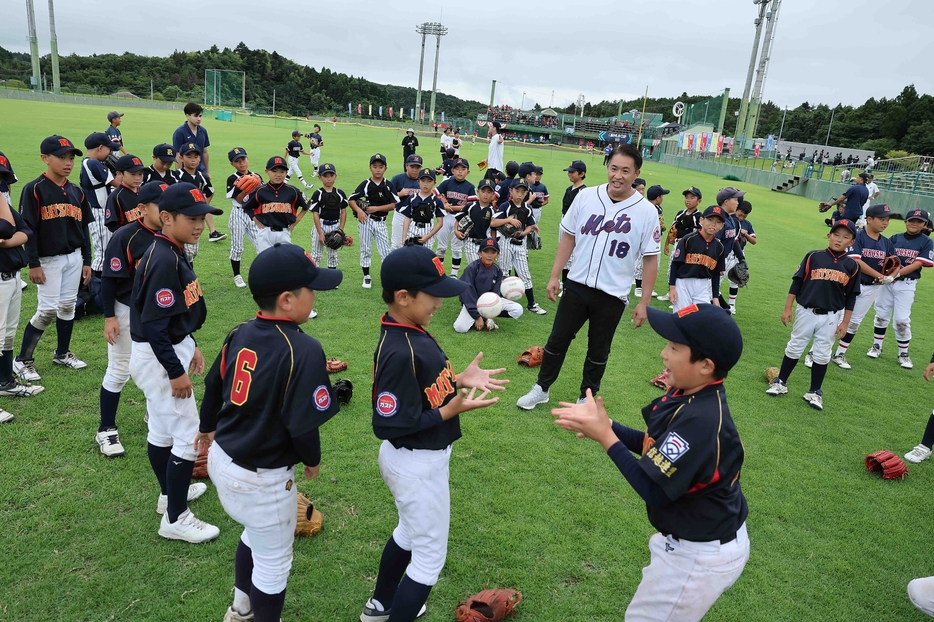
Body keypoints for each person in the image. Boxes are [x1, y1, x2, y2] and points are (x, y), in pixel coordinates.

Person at [551, 303, 749, 622]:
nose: (663, 353)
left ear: (705, 365)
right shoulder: (690, 394)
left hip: (700, 554)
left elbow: (653, 489)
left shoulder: (701, 419)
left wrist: (605, 437)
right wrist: (607, 424)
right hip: (695, 539)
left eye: (674, 347)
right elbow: (653, 448)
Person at [359, 244, 506, 622]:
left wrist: (457, 380)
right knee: (428, 557)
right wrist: (449, 409)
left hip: (417, 460)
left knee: (409, 533)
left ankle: (380, 606)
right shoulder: (400, 348)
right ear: (404, 297)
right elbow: (387, 424)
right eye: (433, 295)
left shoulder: (409, 329)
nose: (440, 304)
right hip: (415, 462)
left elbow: (416, 389)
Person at [199, 243, 342, 622]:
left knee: (252, 535)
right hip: (261, 479)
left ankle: (241, 610)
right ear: (286, 299)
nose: (315, 295)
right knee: (274, 564)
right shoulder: (304, 348)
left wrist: (206, 427)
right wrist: (312, 460)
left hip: (223, 459)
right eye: (310, 289)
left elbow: (214, 384)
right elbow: (302, 423)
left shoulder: (241, 330)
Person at [517, 144, 660, 409]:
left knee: (598, 350)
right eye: (614, 168)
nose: (618, 175)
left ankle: (587, 396)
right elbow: (569, 237)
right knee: (557, 340)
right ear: (607, 168)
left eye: (625, 171)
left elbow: (651, 259)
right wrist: (554, 275)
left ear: (637, 173)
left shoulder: (647, 211)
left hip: (613, 294)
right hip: (577, 286)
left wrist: (644, 302)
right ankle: (542, 388)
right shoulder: (587, 197)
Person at [129, 182, 222, 543]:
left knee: (162, 431)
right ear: (166, 218)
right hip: (159, 355)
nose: (199, 225)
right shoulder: (164, 258)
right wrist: (175, 370)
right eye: (191, 218)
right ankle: (176, 518)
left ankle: (169, 497)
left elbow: (173, 314)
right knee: (186, 434)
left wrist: (190, 343)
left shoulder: (172, 249)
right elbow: (153, 324)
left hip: (169, 346)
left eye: (203, 218)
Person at [13, 136, 93, 383]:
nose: (68, 162)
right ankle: (22, 360)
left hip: (73, 258)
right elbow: (29, 230)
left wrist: (87, 260)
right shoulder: (34, 189)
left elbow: (84, 228)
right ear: (45, 159)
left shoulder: (76, 191)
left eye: (71, 157)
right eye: (61, 157)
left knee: (68, 306)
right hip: (48, 260)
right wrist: (33, 263)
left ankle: (62, 353)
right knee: (47, 310)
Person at [96, 181, 167, 457]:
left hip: (158, 313)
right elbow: (110, 281)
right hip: (126, 309)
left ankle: (155, 416)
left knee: (160, 365)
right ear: (141, 208)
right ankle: (106, 430)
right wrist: (109, 316)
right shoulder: (126, 236)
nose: (166, 212)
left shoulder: (171, 235)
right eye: (160, 206)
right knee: (120, 368)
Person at [766, 220, 861, 410]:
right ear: (829, 235)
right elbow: (797, 282)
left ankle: (814, 392)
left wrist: (845, 322)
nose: (839, 239)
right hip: (806, 310)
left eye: (845, 237)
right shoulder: (813, 257)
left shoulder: (852, 265)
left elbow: (851, 297)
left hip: (832, 315)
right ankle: (780, 382)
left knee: (823, 352)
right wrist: (787, 308)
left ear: (851, 242)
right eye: (836, 234)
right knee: (795, 345)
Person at [828, 204, 896, 369]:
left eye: (887, 219)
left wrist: (890, 277)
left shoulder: (886, 243)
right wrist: (880, 275)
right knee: (835, 318)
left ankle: (840, 354)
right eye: (881, 219)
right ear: (869, 219)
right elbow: (856, 261)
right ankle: (817, 352)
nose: (885, 223)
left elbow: (896, 263)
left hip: (872, 287)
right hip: (851, 284)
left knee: (854, 322)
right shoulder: (857, 237)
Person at [868, 208, 933, 369]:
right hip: (887, 283)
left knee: (902, 319)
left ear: (924, 224)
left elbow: (918, 264)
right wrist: (882, 276)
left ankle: (903, 353)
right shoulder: (895, 238)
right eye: (911, 220)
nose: (914, 223)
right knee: (881, 314)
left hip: (906, 284)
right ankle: (877, 345)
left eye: (918, 222)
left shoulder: (926, 241)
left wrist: (894, 275)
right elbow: (884, 259)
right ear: (905, 222)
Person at [0, 183, 40, 422]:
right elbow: (6, 227)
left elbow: (26, 230)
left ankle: (5, 382)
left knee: (7, 336)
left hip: (12, 276)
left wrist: (5, 242)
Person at [172, 102, 224, 242]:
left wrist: (207, 171)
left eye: (200, 116)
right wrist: (180, 173)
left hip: (199, 171)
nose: (199, 119)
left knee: (204, 198)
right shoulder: (180, 132)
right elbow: (178, 154)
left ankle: (212, 231)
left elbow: (205, 152)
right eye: (196, 116)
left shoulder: (203, 131)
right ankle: (182, 226)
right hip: (185, 171)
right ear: (187, 115)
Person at [494, 179, 546, 315]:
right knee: (504, 272)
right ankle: (499, 301)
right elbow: (493, 222)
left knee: (525, 273)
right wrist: (509, 220)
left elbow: (531, 225)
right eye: (517, 191)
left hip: (520, 243)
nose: (520, 194)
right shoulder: (506, 206)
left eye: (523, 192)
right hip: (505, 241)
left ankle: (532, 304)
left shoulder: (527, 208)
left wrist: (524, 232)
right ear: (511, 191)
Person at [241, 156, 310, 254]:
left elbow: (306, 205)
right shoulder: (260, 191)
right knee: (265, 262)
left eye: (282, 171)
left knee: (284, 262)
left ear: (286, 173)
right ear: (267, 172)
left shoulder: (292, 191)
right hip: (265, 232)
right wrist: (255, 220)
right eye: (274, 171)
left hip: (284, 232)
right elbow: (246, 205)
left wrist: (295, 223)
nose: (278, 175)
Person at [349, 153, 398, 289]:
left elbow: (394, 204)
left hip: (381, 221)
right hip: (366, 221)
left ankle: (387, 277)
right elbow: (351, 199)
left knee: (385, 251)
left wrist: (376, 208)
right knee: (365, 249)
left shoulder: (389, 185)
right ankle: (367, 276)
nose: (377, 169)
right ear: (370, 168)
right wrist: (359, 211)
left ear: (385, 169)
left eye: (380, 167)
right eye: (375, 166)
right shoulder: (366, 184)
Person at [453, 237, 523, 332]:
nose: (489, 255)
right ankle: (481, 317)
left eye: (493, 252)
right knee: (460, 328)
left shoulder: (497, 270)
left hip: (489, 302)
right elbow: (467, 293)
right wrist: (477, 316)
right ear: (480, 252)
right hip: (473, 302)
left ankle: (488, 317)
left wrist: (490, 313)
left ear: (498, 254)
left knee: (517, 310)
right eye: (486, 252)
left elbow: (496, 294)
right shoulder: (472, 268)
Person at [668, 205, 726, 311]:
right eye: (710, 219)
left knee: (700, 318)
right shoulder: (688, 239)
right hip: (683, 283)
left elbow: (716, 274)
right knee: (682, 316)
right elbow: (675, 264)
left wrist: (715, 297)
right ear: (701, 220)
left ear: (722, 226)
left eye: (718, 222)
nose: (713, 224)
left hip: (703, 285)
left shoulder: (719, 247)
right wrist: (672, 287)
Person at [80, 132, 121, 277]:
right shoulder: (93, 163)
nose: (110, 153)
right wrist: (121, 171)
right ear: (100, 148)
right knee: (103, 253)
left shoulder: (87, 162)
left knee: (106, 249)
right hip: (98, 212)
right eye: (109, 149)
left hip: (99, 210)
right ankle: (96, 286)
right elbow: (118, 183)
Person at [225, 148, 262, 288]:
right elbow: (240, 200)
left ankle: (264, 273)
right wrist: (246, 188)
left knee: (262, 245)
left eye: (243, 159)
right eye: (237, 161)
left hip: (253, 214)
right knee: (238, 247)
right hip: (238, 213)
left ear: (248, 159)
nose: (241, 163)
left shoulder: (256, 176)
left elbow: (260, 197)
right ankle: (237, 275)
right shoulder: (232, 178)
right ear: (232, 164)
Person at [173, 143, 216, 262]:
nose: (193, 160)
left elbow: (210, 191)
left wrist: (203, 206)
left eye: (196, 157)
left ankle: (186, 273)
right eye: (189, 156)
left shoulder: (202, 177)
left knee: (192, 252)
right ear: (181, 158)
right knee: (182, 251)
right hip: (181, 217)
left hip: (195, 218)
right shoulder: (176, 176)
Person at [658, 187, 703, 302]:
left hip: (690, 248)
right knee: (671, 268)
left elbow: (700, 233)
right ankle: (671, 292)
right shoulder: (680, 214)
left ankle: (680, 296)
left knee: (684, 269)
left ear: (699, 201)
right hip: (678, 245)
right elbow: (673, 229)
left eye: (692, 198)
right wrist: (667, 244)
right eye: (686, 197)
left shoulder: (699, 217)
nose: (688, 200)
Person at [435, 157, 475, 276]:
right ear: (452, 171)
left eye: (463, 169)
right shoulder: (446, 183)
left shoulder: (470, 187)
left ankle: (453, 274)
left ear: (468, 172)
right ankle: (439, 273)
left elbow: (471, 205)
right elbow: (435, 195)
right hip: (446, 217)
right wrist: (443, 203)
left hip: (461, 220)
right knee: (441, 248)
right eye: (457, 169)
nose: (460, 171)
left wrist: (451, 207)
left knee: (456, 248)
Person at [713, 187, 747, 314]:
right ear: (726, 201)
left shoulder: (732, 220)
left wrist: (742, 259)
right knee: (708, 291)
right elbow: (714, 244)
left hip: (724, 260)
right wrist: (718, 264)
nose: (738, 203)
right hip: (713, 261)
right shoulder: (718, 219)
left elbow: (734, 241)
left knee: (711, 291)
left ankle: (725, 311)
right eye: (735, 199)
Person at [309, 163, 349, 271]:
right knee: (316, 254)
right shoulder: (318, 194)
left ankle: (332, 278)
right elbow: (315, 214)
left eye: (331, 175)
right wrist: (320, 233)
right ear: (320, 177)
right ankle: (314, 278)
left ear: (335, 176)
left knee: (333, 254)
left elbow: (344, 212)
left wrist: (340, 230)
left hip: (335, 226)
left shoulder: (340, 193)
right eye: (325, 176)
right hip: (321, 225)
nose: (329, 179)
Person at [557, 161, 587, 291]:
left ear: (581, 174)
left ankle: (569, 286)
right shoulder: (569, 189)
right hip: (564, 222)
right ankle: (564, 284)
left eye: (572, 172)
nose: (569, 174)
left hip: (576, 226)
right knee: (564, 254)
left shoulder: (584, 192)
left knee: (573, 256)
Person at [634, 185, 668, 298]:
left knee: (654, 263)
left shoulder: (658, 208)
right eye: (662, 196)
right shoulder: (647, 208)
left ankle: (646, 287)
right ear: (658, 198)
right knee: (640, 261)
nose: (662, 198)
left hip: (656, 239)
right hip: (645, 237)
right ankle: (638, 288)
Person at [454, 178, 497, 267]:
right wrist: (456, 231)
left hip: (486, 243)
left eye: (489, 192)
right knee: (476, 266)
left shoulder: (493, 211)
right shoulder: (470, 206)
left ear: (493, 195)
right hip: (470, 242)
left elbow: (493, 230)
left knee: (485, 268)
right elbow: (458, 219)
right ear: (478, 192)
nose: (486, 195)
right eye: (483, 191)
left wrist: (494, 243)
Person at [400, 168, 445, 248]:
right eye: (423, 180)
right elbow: (407, 218)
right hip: (413, 228)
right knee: (410, 256)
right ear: (418, 181)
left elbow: (440, 222)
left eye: (429, 181)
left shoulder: (436, 201)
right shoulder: (412, 198)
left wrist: (428, 236)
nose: (425, 184)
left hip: (427, 230)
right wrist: (404, 237)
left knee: (424, 257)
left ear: (434, 183)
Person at [103, 154, 146, 232]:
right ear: (120, 174)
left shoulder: (146, 192)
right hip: (127, 240)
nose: (137, 178)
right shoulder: (115, 197)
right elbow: (112, 225)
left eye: (140, 174)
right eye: (133, 174)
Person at [390, 155, 424, 250]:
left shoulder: (423, 180)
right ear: (406, 166)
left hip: (417, 217)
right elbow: (387, 196)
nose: (414, 170)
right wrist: (399, 194)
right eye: (412, 167)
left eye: (417, 167)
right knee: (397, 245)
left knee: (416, 246)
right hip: (400, 215)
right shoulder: (398, 179)